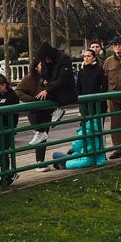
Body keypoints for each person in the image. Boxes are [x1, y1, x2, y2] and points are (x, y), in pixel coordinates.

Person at [24, 43, 76, 171]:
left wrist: (48, 89)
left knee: (45, 100)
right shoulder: (45, 61)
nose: (47, 61)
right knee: (36, 105)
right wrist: (44, 81)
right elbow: (44, 74)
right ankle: (40, 131)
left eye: (48, 59)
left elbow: (64, 79)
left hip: (64, 91)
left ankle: (56, 112)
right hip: (52, 89)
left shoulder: (64, 59)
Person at [0, 73, 21, 187]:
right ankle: (7, 172)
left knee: (2, 150)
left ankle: (7, 173)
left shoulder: (12, 96)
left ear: (4, 85)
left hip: (7, 126)